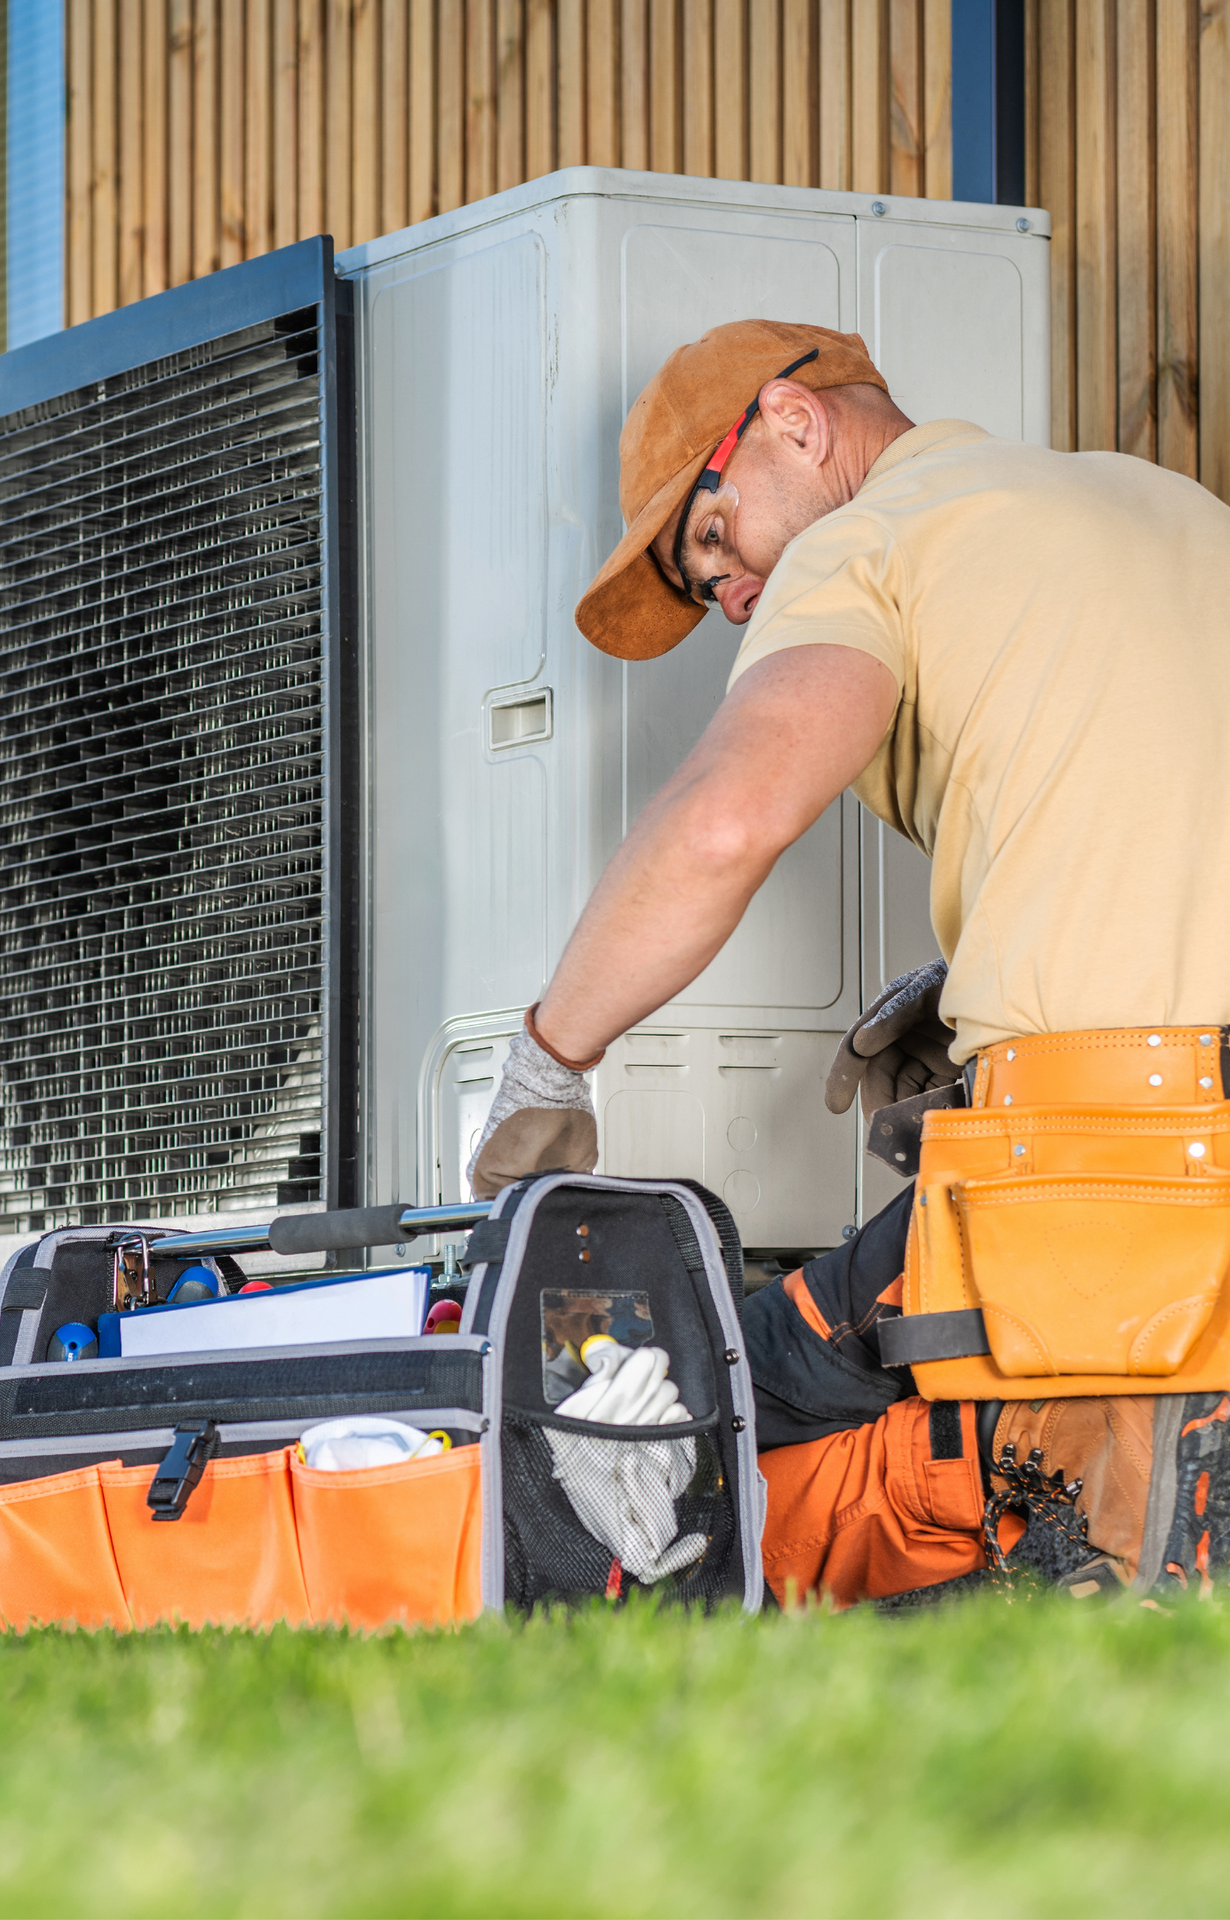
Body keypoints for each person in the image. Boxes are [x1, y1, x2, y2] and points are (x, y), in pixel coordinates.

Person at [466, 317, 1230, 1605]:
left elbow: (724, 820)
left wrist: (550, 1060)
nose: (737, 596)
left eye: (716, 540)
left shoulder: (864, 542)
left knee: (701, 1388)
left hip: (1114, 1170)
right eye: (711, 592)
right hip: (1173, 1151)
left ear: (794, 421)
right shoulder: (1174, 509)